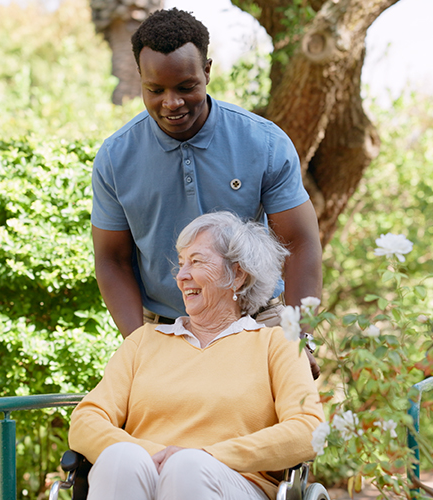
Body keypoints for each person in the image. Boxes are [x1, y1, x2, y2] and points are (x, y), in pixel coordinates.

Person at [90, 8, 323, 359]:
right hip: (164, 329)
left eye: (186, 87)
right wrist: (137, 345)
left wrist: (302, 340)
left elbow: (300, 243)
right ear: (139, 77)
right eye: (155, 90)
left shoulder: (264, 143)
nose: (172, 103)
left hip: (259, 321)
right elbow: (112, 260)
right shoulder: (114, 158)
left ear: (207, 71)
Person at [69, 212, 324, 500]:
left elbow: (308, 428)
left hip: (235, 484)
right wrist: (153, 455)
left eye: (196, 261)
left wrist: (207, 455)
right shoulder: (143, 342)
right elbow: (85, 420)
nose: (181, 276)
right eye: (180, 264)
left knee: (187, 467)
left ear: (237, 275)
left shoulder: (277, 345)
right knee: (120, 460)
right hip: (146, 477)